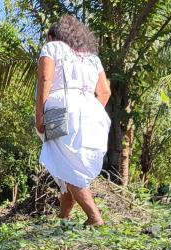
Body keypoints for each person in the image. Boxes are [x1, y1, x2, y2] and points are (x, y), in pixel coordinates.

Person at [35, 16, 111, 226]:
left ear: (53, 36)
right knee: (66, 164)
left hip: (60, 108)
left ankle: (94, 217)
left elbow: (45, 80)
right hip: (93, 112)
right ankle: (64, 216)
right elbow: (104, 91)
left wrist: (40, 115)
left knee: (65, 164)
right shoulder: (91, 58)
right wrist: (86, 113)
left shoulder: (52, 48)